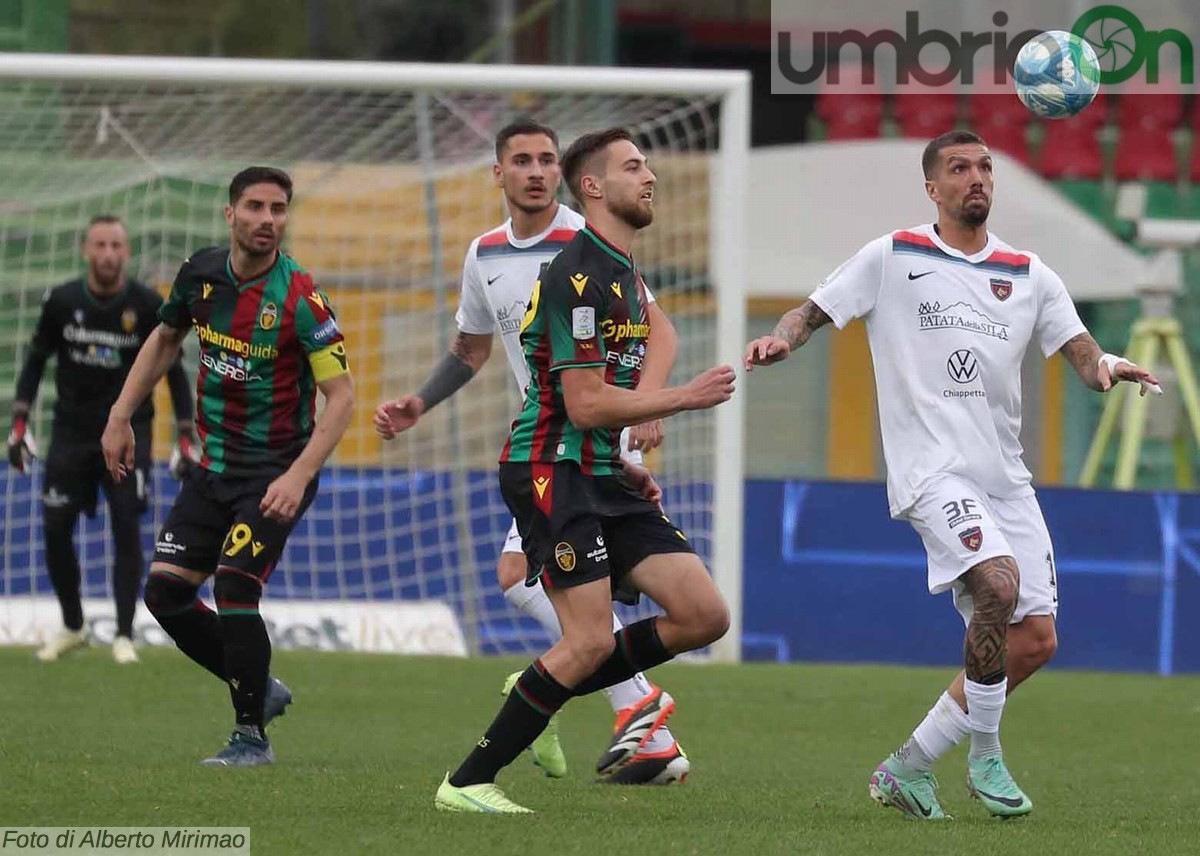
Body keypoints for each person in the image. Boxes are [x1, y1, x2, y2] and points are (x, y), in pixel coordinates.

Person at [745, 130, 1161, 820]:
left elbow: (1083, 355)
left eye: (985, 168)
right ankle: (987, 757)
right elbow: (811, 312)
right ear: (932, 188)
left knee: (1036, 640)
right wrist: (780, 339)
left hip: (1004, 478)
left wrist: (1110, 365)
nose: (977, 178)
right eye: (960, 168)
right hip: (931, 474)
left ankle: (907, 767)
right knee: (998, 583)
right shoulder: (893, 255)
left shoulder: (1030, 273)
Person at [374, 120, 689, 785]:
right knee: (524, 577)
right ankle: (631, 709)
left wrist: (653, 405)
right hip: (552, 440)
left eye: (548, 159)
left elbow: (658, 330)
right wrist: (419, 404)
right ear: (499, 174)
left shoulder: (589, 237)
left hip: (598, 432)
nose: (538, 171)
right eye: (522, 160)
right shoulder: (484, 253)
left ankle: (625, 699)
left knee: (535, 585)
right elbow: (471, 349)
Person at [432, 127, 735, 814]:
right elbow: (585, 401)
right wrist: (684, 397)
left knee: (703, 614)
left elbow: (604, 398)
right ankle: (468, 781)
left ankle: (546, 685)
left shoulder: (623, 273)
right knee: (590, 637)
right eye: (634, 167)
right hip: (548, 469)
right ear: (594, 188)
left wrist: (623, 468)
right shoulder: (577, 276)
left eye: (648, 165)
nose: (650, 177)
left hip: (599, 471)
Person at [101, 166, 356, 767]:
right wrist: (120, 416)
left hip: (276, 472)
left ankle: (250, 738)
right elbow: (165, 341)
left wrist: (298, 476)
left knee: (236, 585)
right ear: (230, 214)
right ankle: (258, 683)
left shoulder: (300, 297)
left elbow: (341, 397)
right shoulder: (201, 274)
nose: (268, 220)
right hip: (213, 467)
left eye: (278, 209)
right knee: (164, 593)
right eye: (256, 207)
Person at [7, 214, 197, 665]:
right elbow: (35, 361)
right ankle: (74, 625)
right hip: (71, 434)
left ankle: (125, 634)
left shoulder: (150, 304)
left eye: (116, 245)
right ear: (86, 250)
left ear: (127, 253)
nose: (109, 254)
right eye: (101, 245)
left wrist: (185, 432)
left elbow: (173, 370)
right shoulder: (62, 301)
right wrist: (18, 420)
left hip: (131, 434)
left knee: (126, 527)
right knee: (54, 529)